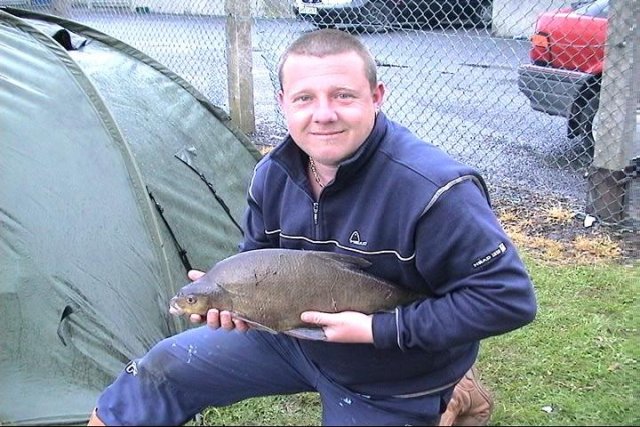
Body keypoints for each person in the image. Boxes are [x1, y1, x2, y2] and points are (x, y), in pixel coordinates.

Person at [88, 28, 536, 426]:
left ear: (376, 97)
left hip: (393, 370)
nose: (323, 114)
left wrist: (374, 330)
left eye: (343, 95)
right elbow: (258, 259)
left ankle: (452, 390)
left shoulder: (436, 190)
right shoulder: (274, 172)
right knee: (160, 369)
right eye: (304, 98)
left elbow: (508, 299)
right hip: (293, 342)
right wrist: (235, 302)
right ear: (283, 102)